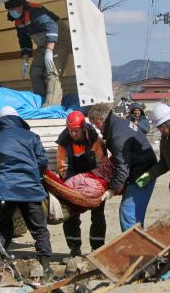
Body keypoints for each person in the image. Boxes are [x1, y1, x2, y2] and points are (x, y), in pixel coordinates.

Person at [0, 106, 53, 276]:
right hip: (30, 189)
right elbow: (43, 162)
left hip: (5, 191)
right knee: (39, 229)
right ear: (18, 119)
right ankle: (46, 266)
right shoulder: (32, 137)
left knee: (4, 228)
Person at [88, 103, 157, 232]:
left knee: (128, 212)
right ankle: (141, 245)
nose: (96, 128)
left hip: (143, 174)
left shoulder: (117, 134)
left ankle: (134, 248)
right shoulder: (118, 123)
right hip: (142, 167)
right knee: (135, 215)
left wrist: (112, 189)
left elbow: (122, 169)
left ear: (100, 121)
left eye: (96, 124)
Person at [56, 110, 108, 256]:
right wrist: (74, 188)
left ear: (83, 127)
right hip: (72, 181)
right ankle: (74, 247)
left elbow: (102, 164)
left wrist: (93, 185)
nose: (73, 134)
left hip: (94, 179)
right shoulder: (63, 142)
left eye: (76, 131)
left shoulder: (95, 140)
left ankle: (97, 247)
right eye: (70, 130)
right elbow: (63, 168)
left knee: (98, 215)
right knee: (70, 216)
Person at [4, 0, 71, 107]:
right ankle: (42, 100)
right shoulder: (18, 21)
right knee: (35, 72)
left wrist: (49, 51)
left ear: (22, 6)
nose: (13, 12)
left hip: (60, 38)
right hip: (44, 43)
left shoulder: (34, 11)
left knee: (51, 71)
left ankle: (52, 106)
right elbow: (24, 41)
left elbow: (52, 26)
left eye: (15, 9)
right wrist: (25, 60)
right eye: (10, 10)